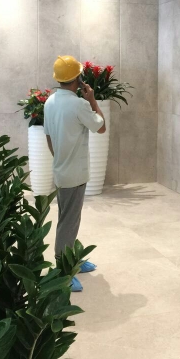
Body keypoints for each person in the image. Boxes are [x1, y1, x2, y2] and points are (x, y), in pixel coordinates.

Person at [43, 55, 106, 292]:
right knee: (68, 222)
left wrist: (60, 159)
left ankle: (73, 258)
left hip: (62, 170)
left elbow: (49, 137)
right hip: (75, 174)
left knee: (69, 217)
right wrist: (92, 100)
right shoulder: (79, 104)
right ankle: (63, 270)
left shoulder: (50, 102)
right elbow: (101, 126)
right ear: (78, 78)